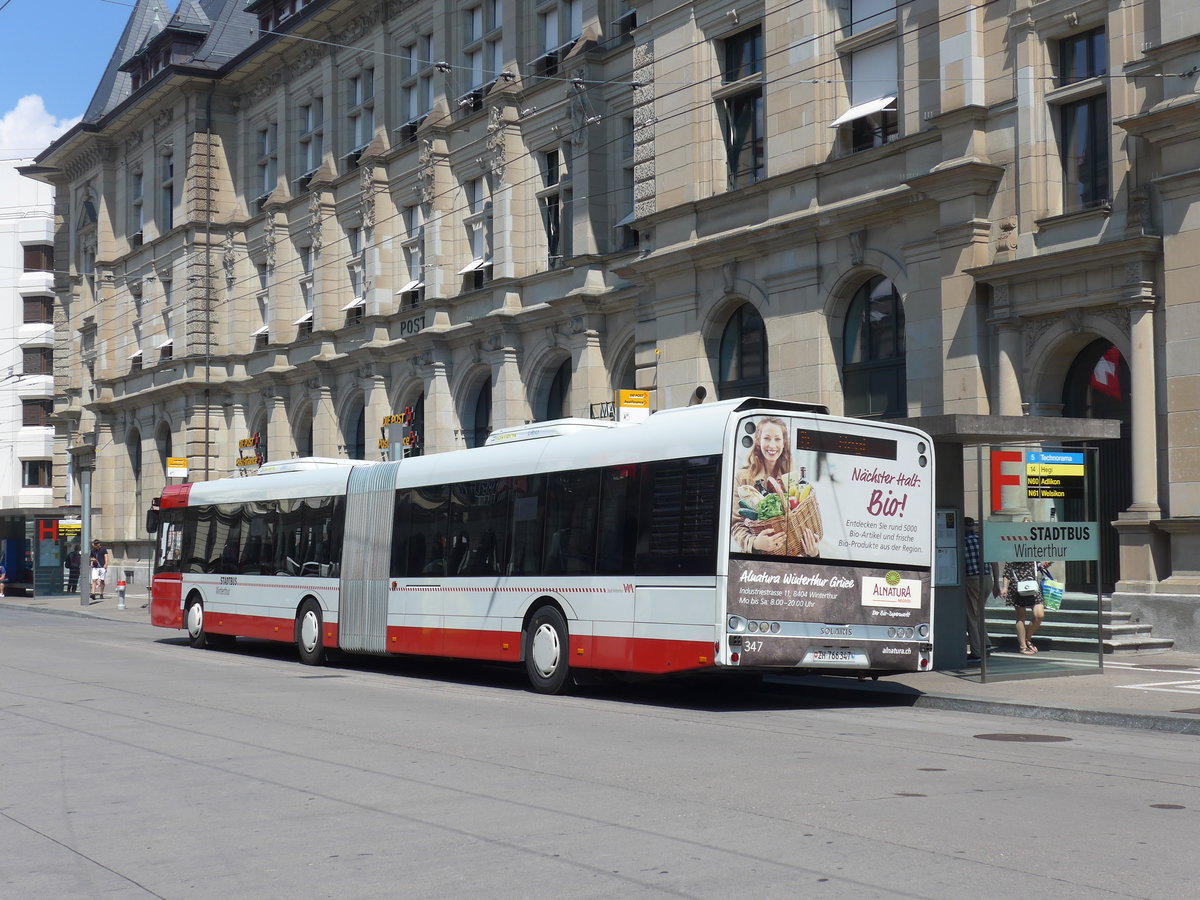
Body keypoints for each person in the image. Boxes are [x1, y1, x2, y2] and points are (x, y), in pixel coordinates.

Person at [730, 416, 818, 556]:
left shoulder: (792, 480)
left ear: (784, 443)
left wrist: (813, 553)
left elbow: (802, 524)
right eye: (767, 438)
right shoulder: (742, 477)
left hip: (788, 564)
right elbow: (736, 524)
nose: (772, 445)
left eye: (777, 439)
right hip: (756, 563)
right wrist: (755, 543)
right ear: (758, 441)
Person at [963, 517, 999, 661]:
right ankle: (986, 643)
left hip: (971, 579)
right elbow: (995, 563)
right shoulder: (983, 541)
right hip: (987, 579)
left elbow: (961, 564)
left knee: (971, 616)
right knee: (979, 613)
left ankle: (976, 651)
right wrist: (996, 583)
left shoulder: (963, 542)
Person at [1000, 557, 1045, 655]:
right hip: (1017, 586)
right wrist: (1004, 587)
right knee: (1021, 616)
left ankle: (1027, 638)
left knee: (1039, 615)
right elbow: (1007, 572)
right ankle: (1023, 646)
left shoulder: (1032, 550)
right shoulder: (1013, 551)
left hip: (1033, 586)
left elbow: (1038, 565)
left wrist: (1044, 565)